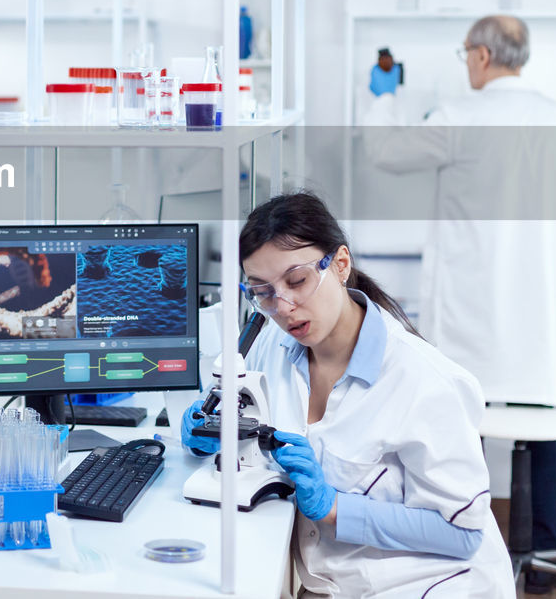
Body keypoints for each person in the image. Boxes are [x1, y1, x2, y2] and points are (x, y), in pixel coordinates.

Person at [361, 14, 556, 591]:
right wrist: (539, 246)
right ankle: (542, 558)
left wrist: (384, 96)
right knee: (537, 433)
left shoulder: (460, 117)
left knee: (457, 432)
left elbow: (383, 150)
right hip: (537, 329)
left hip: (469, 327)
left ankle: (464, 554)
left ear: (479, 57)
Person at [182, 192, 515, 597]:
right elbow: (233, 406)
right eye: (262, 291)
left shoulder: (423, 380)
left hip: (428, 585)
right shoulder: (271, 343)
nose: (283, 307)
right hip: (332, 584)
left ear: (340, 264)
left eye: (297, 281)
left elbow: (463, 533)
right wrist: (206, 427)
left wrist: (334, 507)